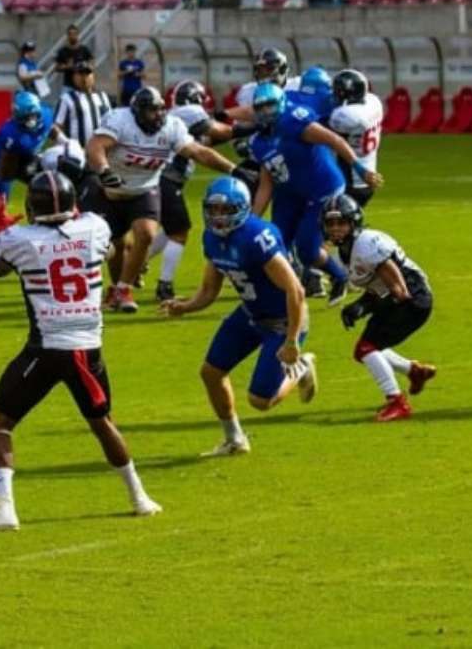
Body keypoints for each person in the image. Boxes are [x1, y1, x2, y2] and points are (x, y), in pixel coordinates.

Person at [0, 171, 161, 532]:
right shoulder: (95, 227)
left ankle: (5, 509)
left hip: (46, 348)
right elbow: (112, 249)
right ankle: (139, 498)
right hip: (89, 348)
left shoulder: (17, 238)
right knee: (103, 423)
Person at [160, 177, 316, 456]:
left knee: (260, 401)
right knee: (211, 373)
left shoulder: (256, 237)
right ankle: (235, 439)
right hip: (250, 313)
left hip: (284, 320)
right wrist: (185, 306)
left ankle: (301, 367)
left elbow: (296, 290)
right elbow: (209, 290)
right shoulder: (211, 238)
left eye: (226, 210)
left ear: (242, 208)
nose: (218, 217)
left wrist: (292, 341)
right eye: (213, 209)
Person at [86, 87, 254, 313]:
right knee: (117, 247)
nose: (157, 115)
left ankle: (124, 290)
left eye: (160, 110)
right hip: (112, 192)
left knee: (146, 234)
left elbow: (198, 152)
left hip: (146, 189)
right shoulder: (120, 120)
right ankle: (116, 288)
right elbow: (96, 146)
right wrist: (104, 170)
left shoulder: (171, 127)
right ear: (137, 112)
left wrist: (233, 169)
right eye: (151, 111)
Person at [248, 82, 384, 306]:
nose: (265, 113)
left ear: (280, 104)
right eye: (261, 108)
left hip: (321, 189)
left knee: (307, 249)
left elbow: (335, 140)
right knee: (273, 242)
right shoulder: (258, 141)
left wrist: (359, 167)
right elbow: (266, 182)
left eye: (270, 106)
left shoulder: (294, 121)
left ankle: (339, 276)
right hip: (289, 192)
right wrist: (252, 218)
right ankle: (286, 291)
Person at [321, 194, 436, 422]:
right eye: (330, 223)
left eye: (341, 223)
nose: (335, 229)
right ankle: (414, 372)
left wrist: (363, 306)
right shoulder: (345, 251)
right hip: (402, 297)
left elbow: (399, 291)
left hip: (413, 299)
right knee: (367, 348)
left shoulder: (366, 245)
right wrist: (361, 304)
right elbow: (379, 287)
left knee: (366, 349)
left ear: (353, 223)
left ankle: (397, 402)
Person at [152, 81, 236, 301]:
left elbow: (204, 141)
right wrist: (250, 127)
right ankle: (164, 285)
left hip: (161, 177)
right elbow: (221, 131)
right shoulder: (190, 112)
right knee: (180, 232)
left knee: (170, 229)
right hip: (168, 177)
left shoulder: (175, 114)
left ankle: (136, 264)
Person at [328, 70, 383, 210]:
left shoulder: (347, 115)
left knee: (335, 225)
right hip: (369, 176)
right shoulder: (374, 102)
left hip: (352, 181)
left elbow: (325, 133)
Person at [54, 60, 113, 147]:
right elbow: (55, 127)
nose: (84, 77)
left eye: (87, 73)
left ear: (93, 76)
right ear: (74, 77)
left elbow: (111, 122)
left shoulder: (103, 96)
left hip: (101, 151)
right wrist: (68, 144)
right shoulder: (67, 98)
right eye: (80, 74)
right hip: (77, 153)